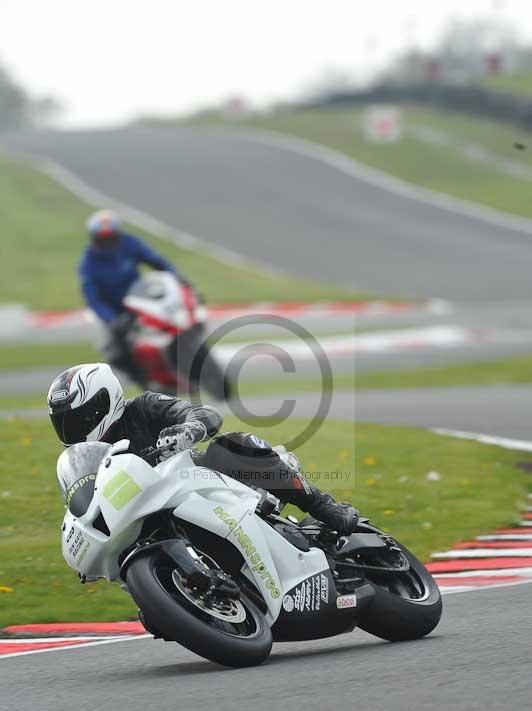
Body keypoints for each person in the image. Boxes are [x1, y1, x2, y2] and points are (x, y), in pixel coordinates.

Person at [48, 363, 359, 542]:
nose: (72, 431)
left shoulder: (143, 407)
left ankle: (324, 507)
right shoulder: (87, 459)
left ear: (104, 403)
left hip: (199, 483)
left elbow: (201, 412)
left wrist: (189, 430)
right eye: (63, 424)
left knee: (233, 444)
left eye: (78, 420)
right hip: (148, 515)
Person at [78, 209, 192, 383]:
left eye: (111, 238)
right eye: (103, 239)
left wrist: (176, 276)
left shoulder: (129, 243)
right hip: (116, 312)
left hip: (142, 299)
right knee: (115, 351)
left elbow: (155, 260)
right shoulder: (88, 264)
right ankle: (143, 379)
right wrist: (111, 319)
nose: (109, 243)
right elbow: (93, 299)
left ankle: (189, 350)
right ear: (95, 239)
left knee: (178, 314)